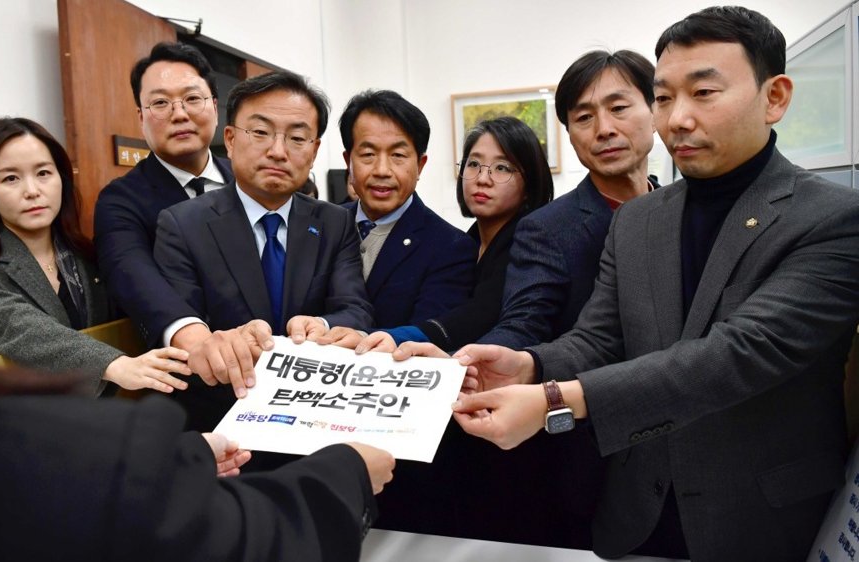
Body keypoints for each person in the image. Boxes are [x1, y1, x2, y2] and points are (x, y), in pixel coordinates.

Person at [0, 2, 394, 560]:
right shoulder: (138, 210)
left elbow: (350, 301)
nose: (33, 190)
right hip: (170, 420)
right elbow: (137, 286)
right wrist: (186, 339)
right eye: (160, 102)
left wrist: (329, 330)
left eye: (44, 174)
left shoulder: (81, 254)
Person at [437, 6, 859, 560]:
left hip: (761, 514)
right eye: (663, 97)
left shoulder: (832, 218)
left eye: (703, 93)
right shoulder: (639, 219)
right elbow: (599, 337)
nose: (677, 118)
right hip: (637, 509)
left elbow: (738, 354)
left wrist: (554, 399)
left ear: (774, 97)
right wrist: (530, 365)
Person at [153, 70, 374, 432]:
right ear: (230, 139)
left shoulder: (334, 222)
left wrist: (322, 325)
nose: (277, 151)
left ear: (314, 151)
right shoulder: (182, 224)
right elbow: (183, 328)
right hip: (222, 422)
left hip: (315, 418)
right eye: (260, 132)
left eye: (297, 138)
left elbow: (355, 309)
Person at [0, 117, 190, 396]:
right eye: (10, 178)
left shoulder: (91, 258)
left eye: (43, 173)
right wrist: (113, 364)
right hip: (29, 420)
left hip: (116, 414)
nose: (32, 191)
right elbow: (21, 330)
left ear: (61, 179)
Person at [478, 49, 658, 350]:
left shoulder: (682, 207)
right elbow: (522, 324)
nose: (604, 129)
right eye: (584, 117)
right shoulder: (545, 229)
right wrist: (471, 361)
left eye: (618, 108)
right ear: (570, 135)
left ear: (656, 113)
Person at [354, 116, 553, 353]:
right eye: (474, 164)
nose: (482, 179)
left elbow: (482, 313)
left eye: (502, 168)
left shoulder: (531, 241)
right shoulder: (469, 241)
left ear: (530, 184)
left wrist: (399, 337)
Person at [94, 42, 235, 349]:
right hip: (194, 362)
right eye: (160, 103)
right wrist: (195, 340)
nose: (179, 114)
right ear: (141, 117)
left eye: (192, 98)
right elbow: (132, 274)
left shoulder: (248, 180)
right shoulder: (120, 201)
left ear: (214, 106)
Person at [338, 90, 476, 330]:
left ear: (420, 165)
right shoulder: (325, 226)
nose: (382, 170)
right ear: (348, 161)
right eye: (368, 154)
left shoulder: (451, 248)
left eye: (398, 155)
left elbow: (425, 334)